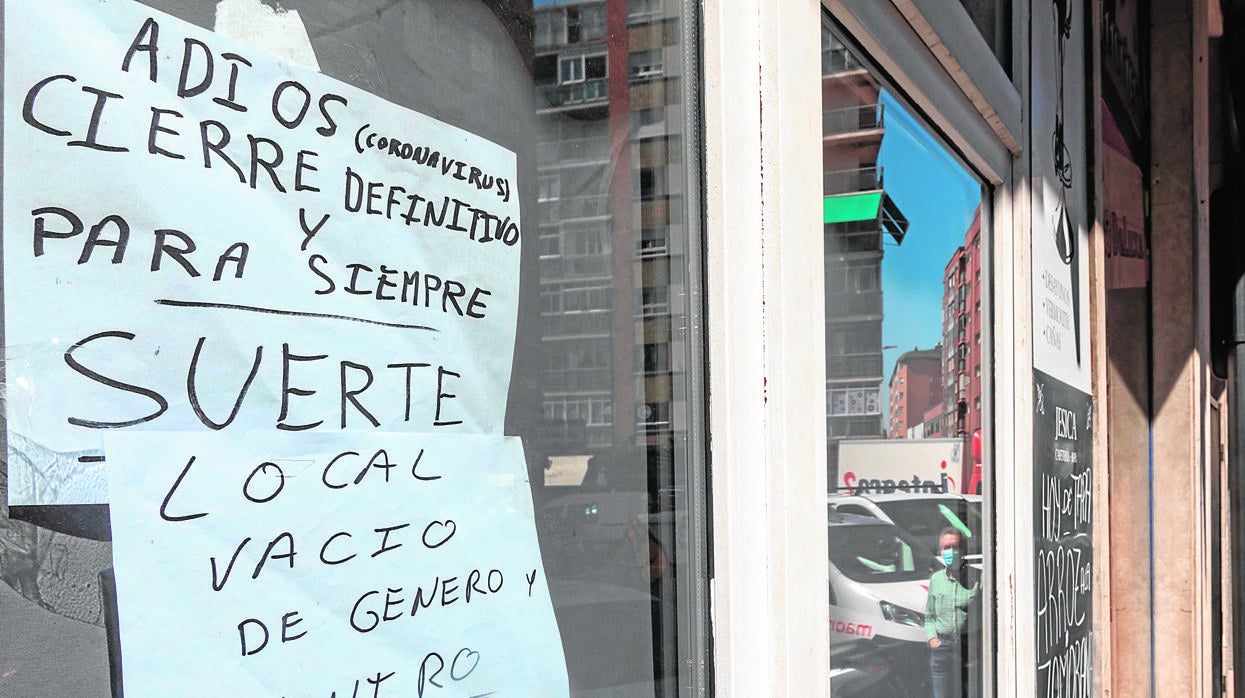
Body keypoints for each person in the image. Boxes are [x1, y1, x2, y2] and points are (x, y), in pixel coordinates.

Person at [925, 526, 981, 698]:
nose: (951, 551)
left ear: (963, 550)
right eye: (946, 547)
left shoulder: (977, 578)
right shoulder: (936, 580)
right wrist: (932, 638)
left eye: (955, 547)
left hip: (968, 648)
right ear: (941, 551)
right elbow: (929, 616)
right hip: (943, 648)